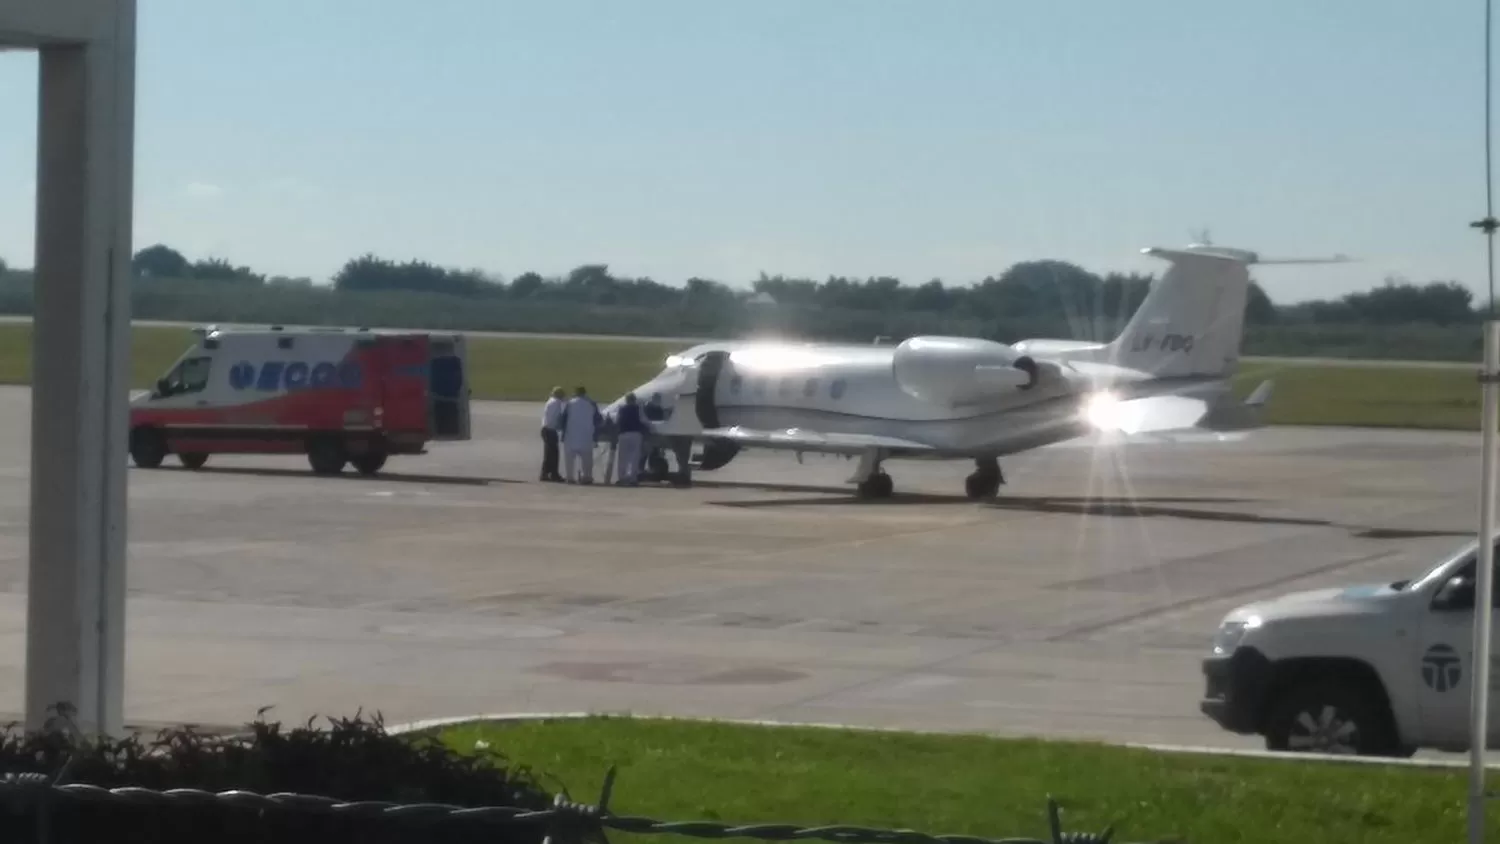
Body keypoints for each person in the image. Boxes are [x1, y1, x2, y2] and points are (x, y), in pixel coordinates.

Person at [560, 385, 601, 484]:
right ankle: (587, 477)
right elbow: (598, 420)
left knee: (569, 459)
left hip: (571, 435)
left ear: (575, 393)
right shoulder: (592, 403)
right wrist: (596, 436)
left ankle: (570, 477)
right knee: (587, 459)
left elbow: (563, 420)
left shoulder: (569, 403)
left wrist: (563, 434)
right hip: (586, 435)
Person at [613, 392, 649, 486]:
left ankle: (622, 478)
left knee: (622, 457)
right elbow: (644, 420)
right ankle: (633, 479)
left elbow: (617, 421)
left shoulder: (621, 409)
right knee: (634, 457)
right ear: (634, 400)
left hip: (623, 434)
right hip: (635, 434)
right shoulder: (638, 409)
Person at [539, 386, 566, 482]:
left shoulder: (551, 401)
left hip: (547, 429)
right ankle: (551, 474)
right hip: (550, 430)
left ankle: (548, 473)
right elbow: (559, 417)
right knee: (552, 454)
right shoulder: (556, 402)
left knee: (551, 453)